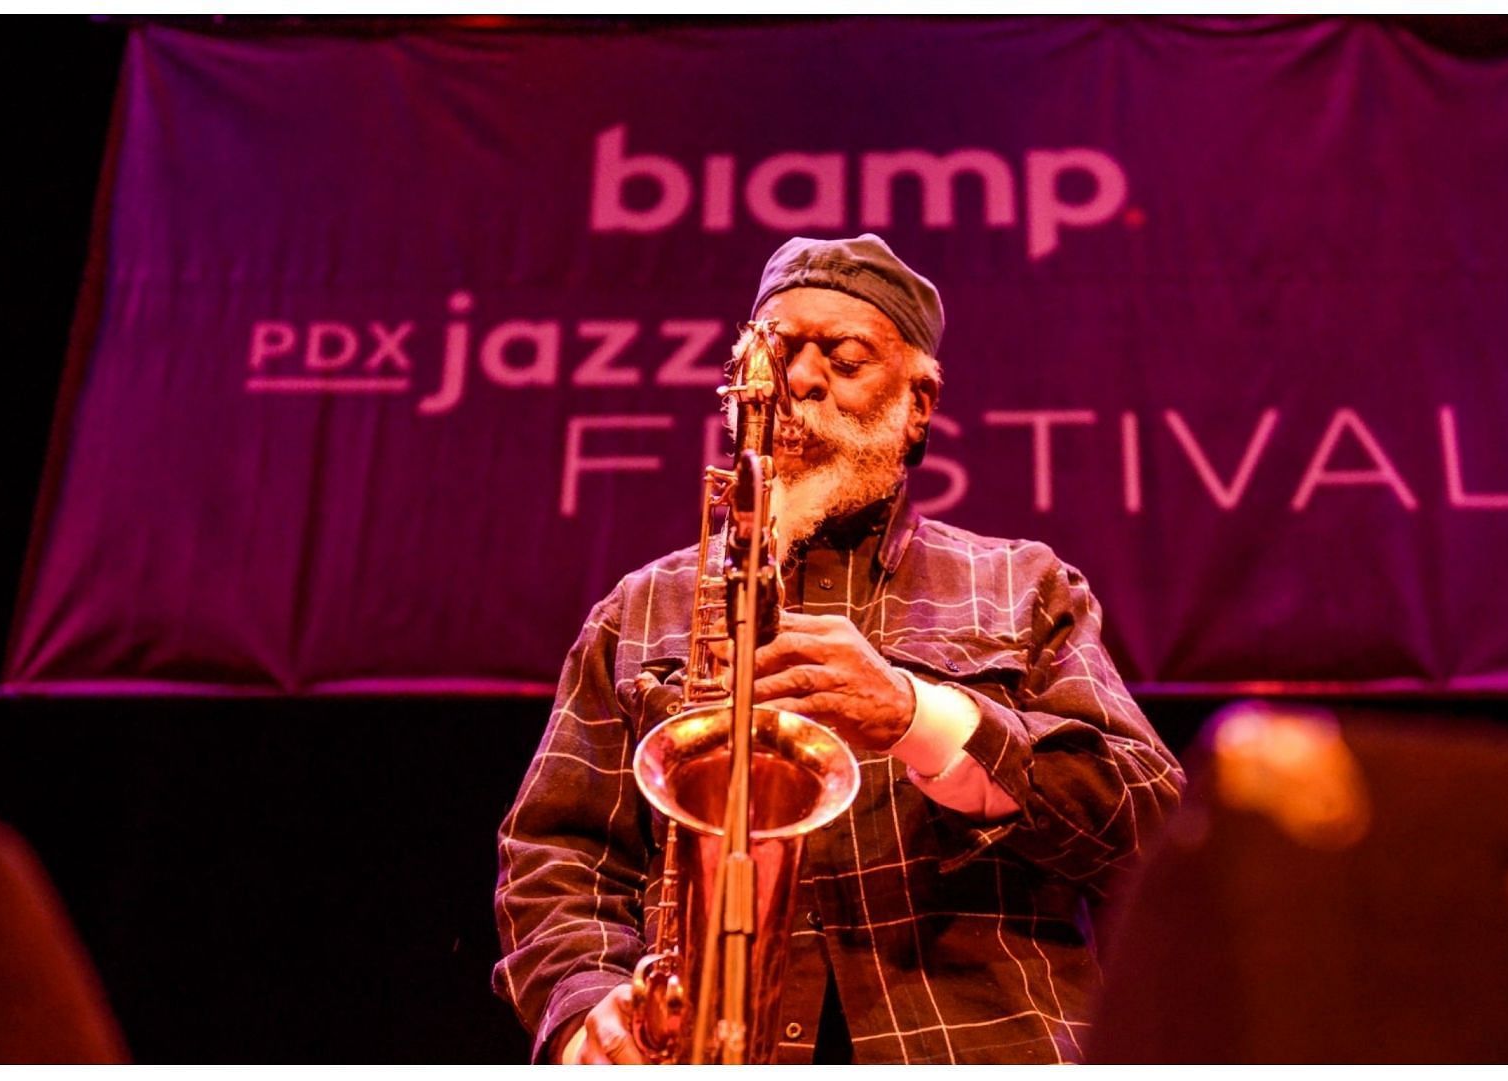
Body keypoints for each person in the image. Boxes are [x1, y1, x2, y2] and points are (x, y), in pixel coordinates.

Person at [492, 234, 1185, 1065]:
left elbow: (1152, 822)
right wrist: (587, 1005)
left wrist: (920, 717)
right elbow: (555, 859)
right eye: (778, 357)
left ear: (919, 403)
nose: (804, 382)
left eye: (845, 357)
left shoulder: (1024, 585)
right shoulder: (638, 611)